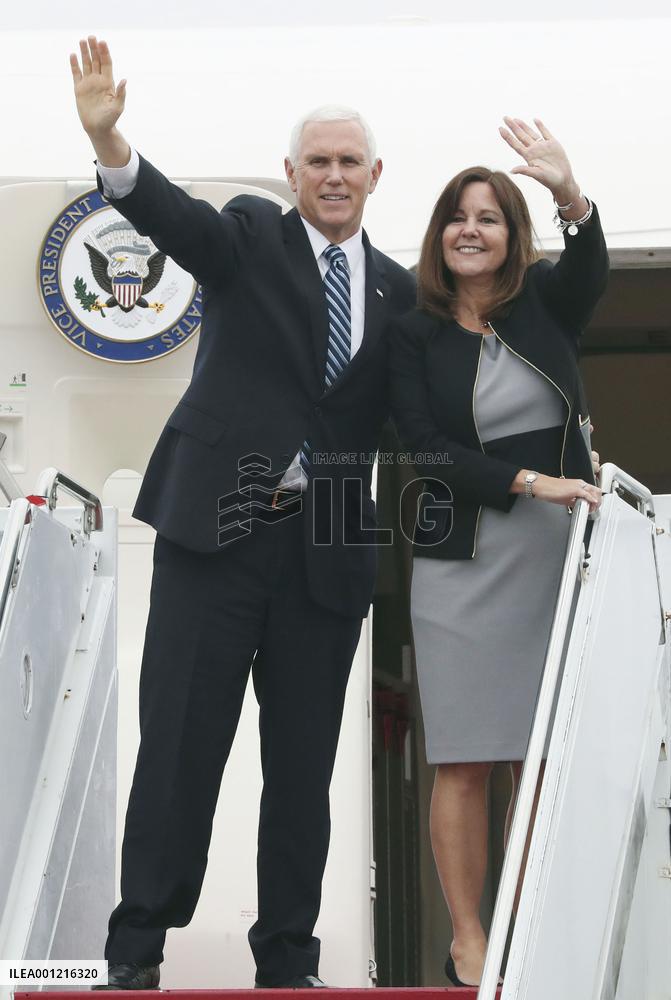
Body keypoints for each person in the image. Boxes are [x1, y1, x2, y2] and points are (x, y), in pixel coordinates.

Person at [69, 36, 415, 990]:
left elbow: (422, 411)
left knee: (302, 776)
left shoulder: (398, 290)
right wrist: (112, 144)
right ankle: (135, 954)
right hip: (213, 537)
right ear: (290, 172)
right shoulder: (252, 234)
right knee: (179, 754)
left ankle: (287, 966)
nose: (334, 176)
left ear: (375, 174)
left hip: (327, 555)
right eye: (318, 161)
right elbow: (172, 218)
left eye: (350, 162)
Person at [389, 117, 607, 987]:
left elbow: (588, 264)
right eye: (457, 216)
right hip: (461, 561)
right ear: (440, 234)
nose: (471, 229)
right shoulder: (411, 333)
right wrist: (526, 481)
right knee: (466, 754)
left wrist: (568, 193)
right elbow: (422, 450)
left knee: (542, 755)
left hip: (555, 557)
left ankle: (530, 920)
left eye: (490, 217)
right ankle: (469, 939)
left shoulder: (547, 301)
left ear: (514, 236)